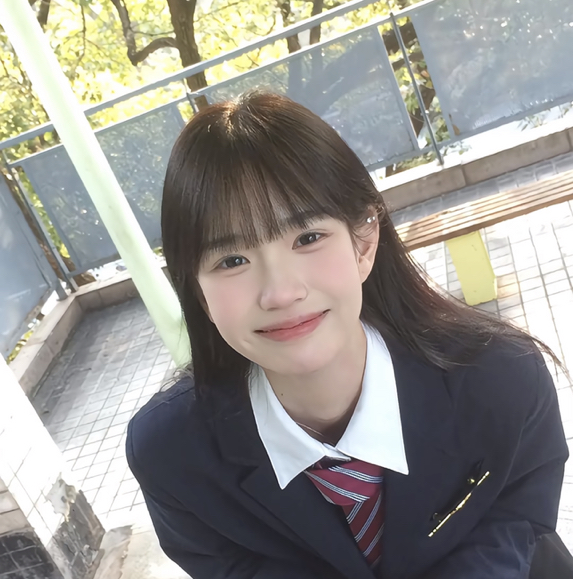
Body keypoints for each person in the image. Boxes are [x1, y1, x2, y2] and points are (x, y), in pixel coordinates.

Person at [126, 91, 572, 579]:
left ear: (364, 243)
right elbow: (229, 568)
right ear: (196, 290)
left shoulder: (499, 374)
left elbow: (518, 506)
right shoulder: (170, 454)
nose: (281, 293)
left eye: (307, 238)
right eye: (232, 260)